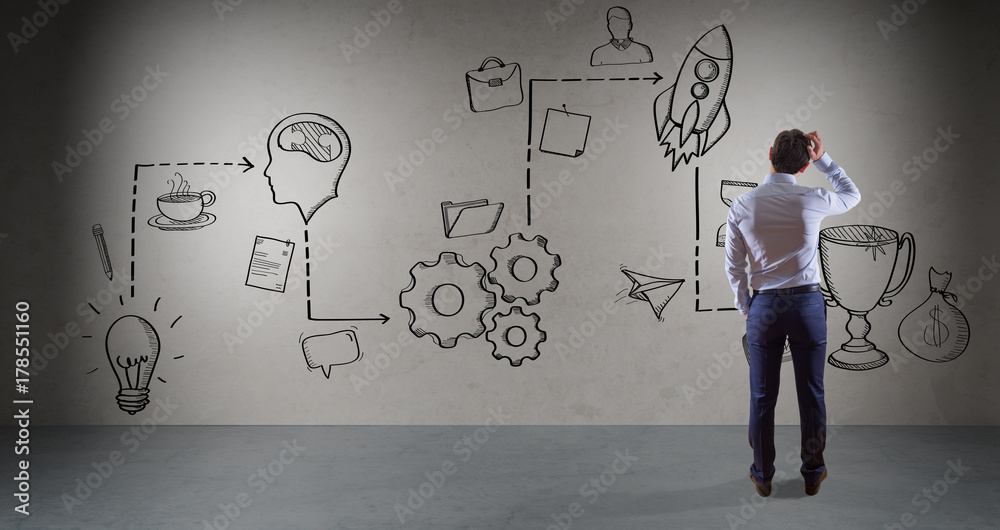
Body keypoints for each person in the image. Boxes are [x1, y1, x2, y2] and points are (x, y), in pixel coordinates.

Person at [724, 130, 860, 497]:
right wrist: (825, 159)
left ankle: (763, 474)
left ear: (769, 154)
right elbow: (852, 195)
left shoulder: (742, 204)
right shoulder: (813, 198)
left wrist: (746, 308)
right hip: (807, 306)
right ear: (804, 164)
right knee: (812, 392)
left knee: (762, 395)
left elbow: (734, 267)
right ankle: (813, 472)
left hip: (765, 306)